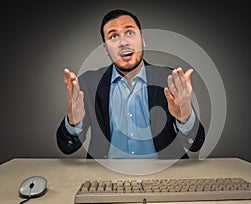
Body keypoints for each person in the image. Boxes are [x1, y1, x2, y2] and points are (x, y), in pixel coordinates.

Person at [56, 9, 205, 159]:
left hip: (164, 176)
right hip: (106, 177)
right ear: (106, 49)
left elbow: (195, 144)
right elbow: (67, 147)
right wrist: (72, 120)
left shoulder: (168, 79)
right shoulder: (88, 83)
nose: (123, 42)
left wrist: (184, 117)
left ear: (142, 40)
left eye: (130, 33)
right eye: (113, 36)